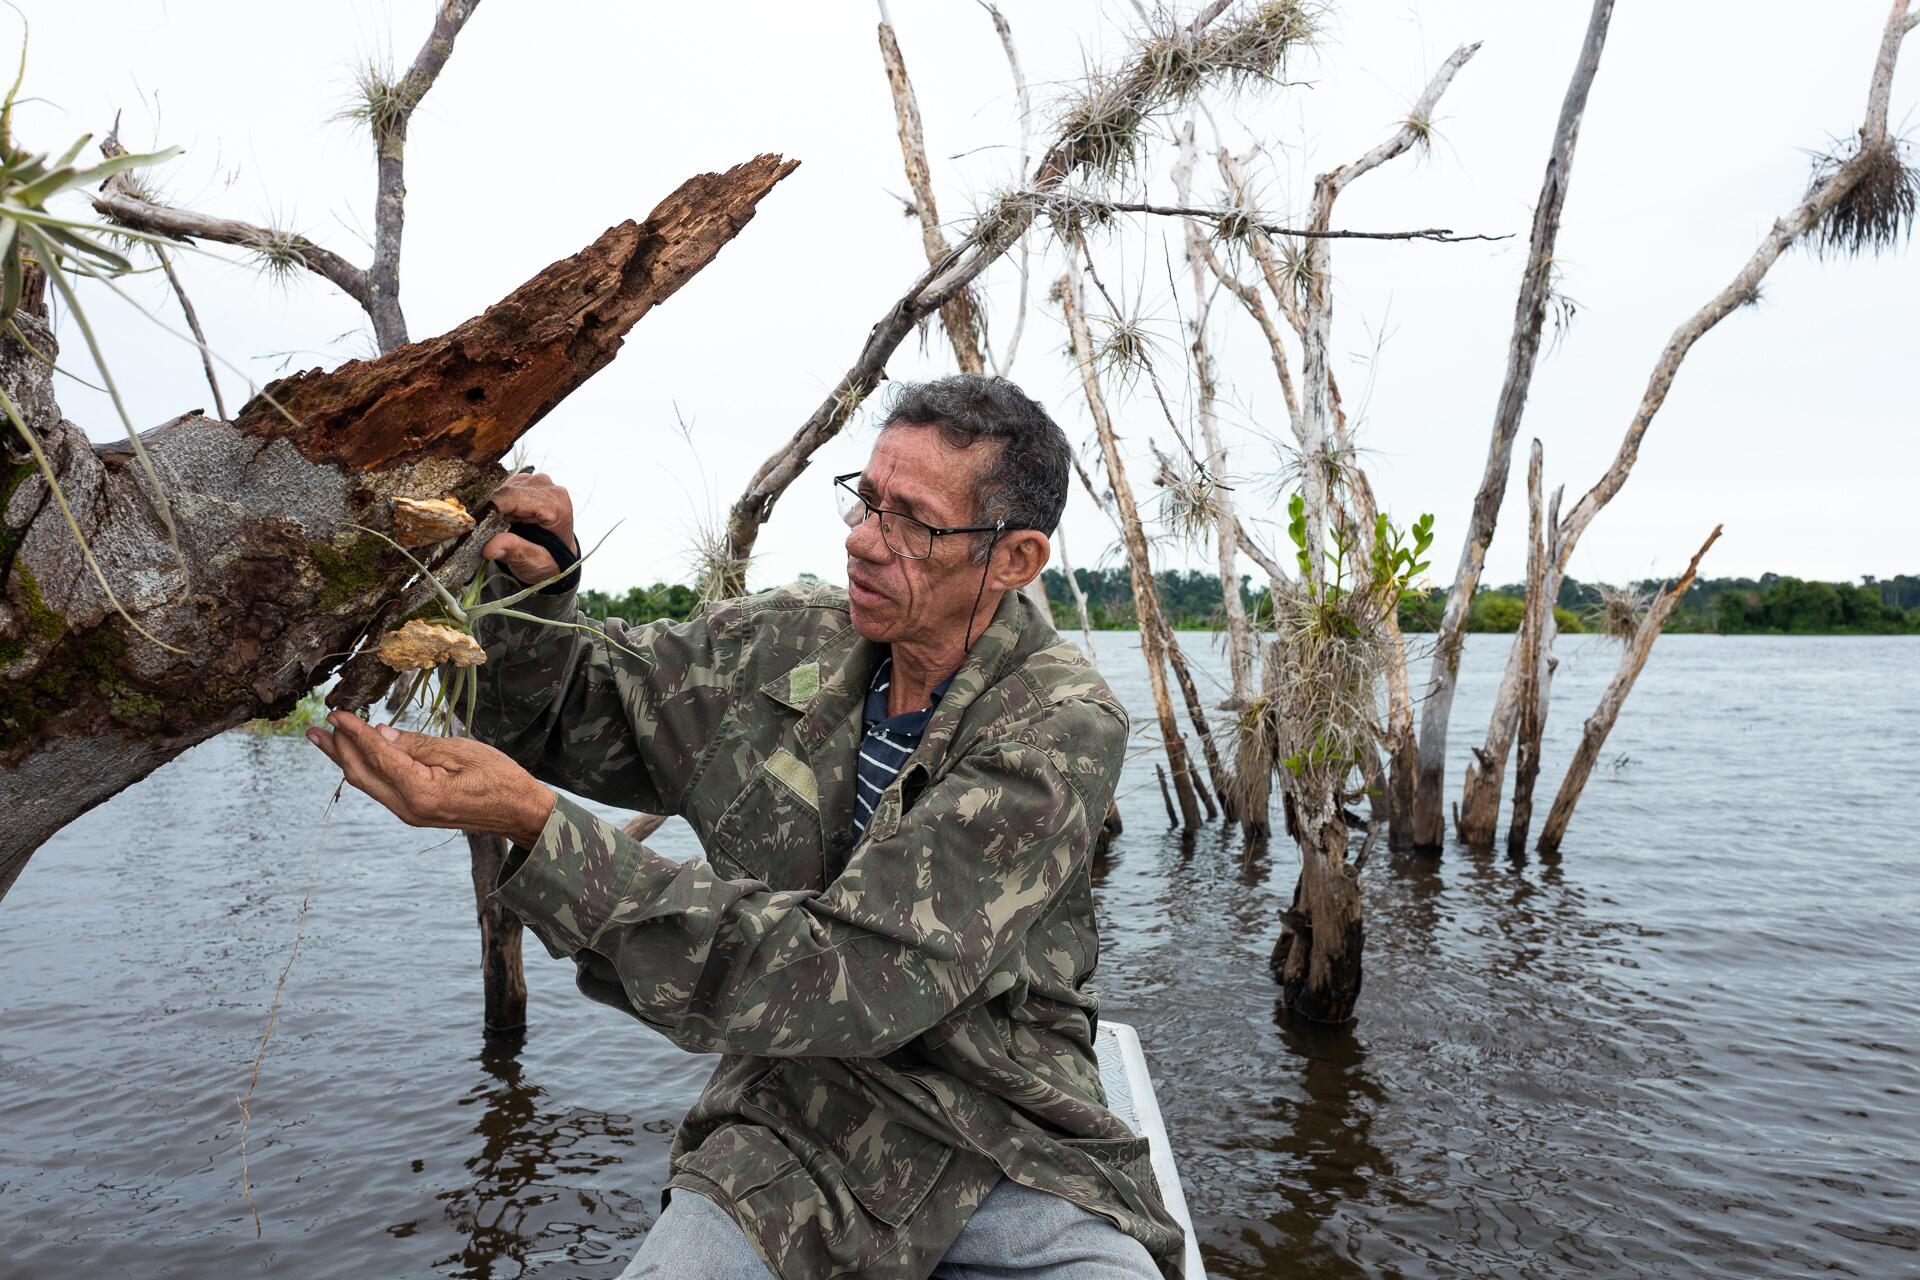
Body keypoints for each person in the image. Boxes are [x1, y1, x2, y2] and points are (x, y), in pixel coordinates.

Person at [304, 375, 1182, 1279]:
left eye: (910, 523)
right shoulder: (786, 645)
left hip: (1003, 1132)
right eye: (865, 502)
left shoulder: (1057, 724)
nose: (863, 542)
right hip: (792, 1126)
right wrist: (536, 587)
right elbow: (571, 707)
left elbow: (851, 976)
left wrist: (535, 825)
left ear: (1014, 559)